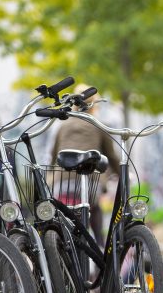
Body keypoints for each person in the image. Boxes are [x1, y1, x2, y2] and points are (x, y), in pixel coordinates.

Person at [50, 86, 119, 242]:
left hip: (61, 181)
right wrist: (122, 175)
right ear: (94, 105)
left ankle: (60, 249)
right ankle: (100, 246)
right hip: (88, 182)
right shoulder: (97, 125)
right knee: (94, 209)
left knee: (61, 216)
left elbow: (54, 155)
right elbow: (112, 156)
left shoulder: (63, 126)